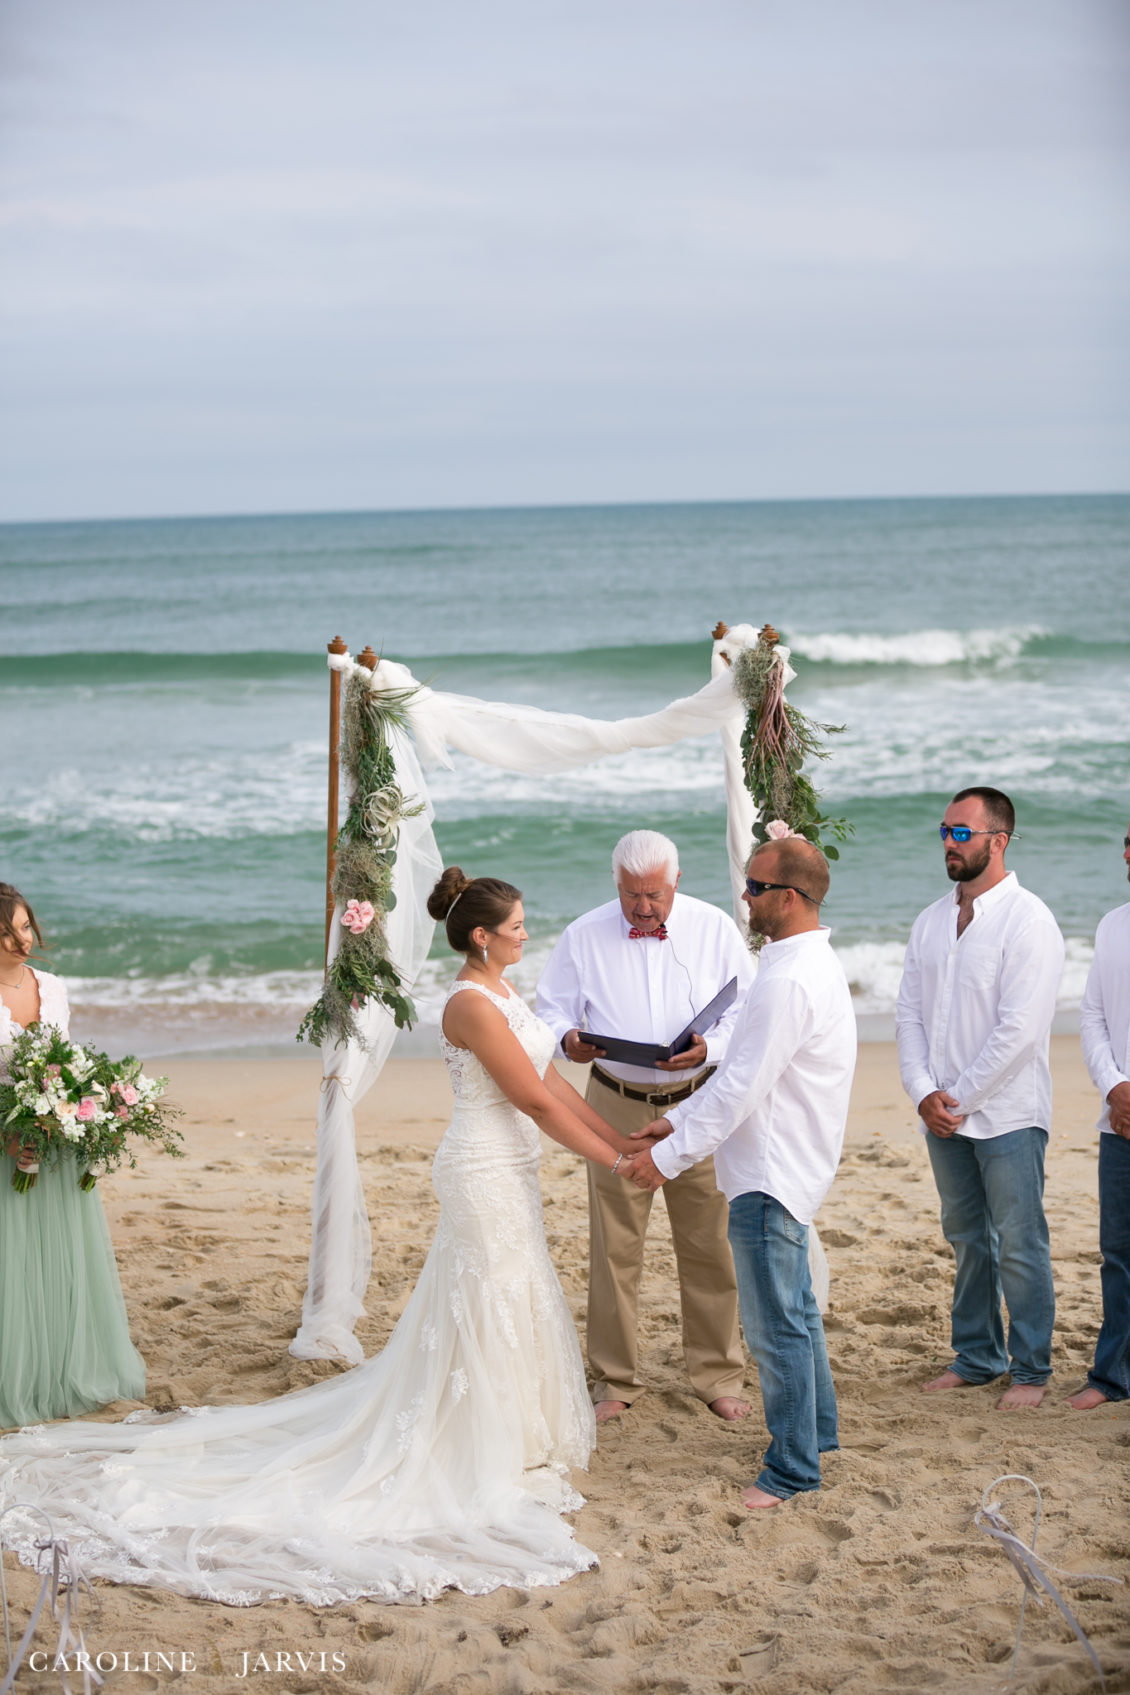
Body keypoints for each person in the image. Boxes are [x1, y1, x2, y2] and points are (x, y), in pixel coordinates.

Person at [0, 869, 638, 1605]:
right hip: (481, 1168)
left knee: (512, 1288)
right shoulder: (469, 1002)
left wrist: (620, 1140)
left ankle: (512, 1430)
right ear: (482, 935)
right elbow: (528, 1097)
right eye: (519, 923)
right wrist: (620, 1160)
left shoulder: (503, 992)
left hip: (513, 1166)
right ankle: (475, 1437)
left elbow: (551, 1082)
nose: (528, 931)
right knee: (484, 1293)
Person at [624, 836, 856, 1508]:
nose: (745, 898)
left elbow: (741, 1088)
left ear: (788, 897)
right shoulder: (804, 961)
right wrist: (673, 1122)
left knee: (775, 1325)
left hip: (772, 1167)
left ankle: (792, 1467)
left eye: (755, 887)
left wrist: (665, 1159)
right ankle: (819, 1432)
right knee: (799, 1313)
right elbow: (742, 1077)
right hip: (786, 1157)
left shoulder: (787, 978)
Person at [536, 830, 755, 1423]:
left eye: (654, 894)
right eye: (632, 895)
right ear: (617, 884)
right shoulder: (583, 934)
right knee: (614, 1246)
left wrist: (710, 1046)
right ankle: (614, 1381)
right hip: (613, 1102)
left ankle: (718, 1374)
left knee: (709, 1241)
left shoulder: (715, 928)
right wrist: (568, 1040)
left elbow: (747, 1010)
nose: (643, 907)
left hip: (700, 1102)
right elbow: (549, 1008)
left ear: (676, 881)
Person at [895, 787, 1064, 1410]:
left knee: (1020, 1242)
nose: (948, 842)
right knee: (967, 1237)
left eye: (961, 833)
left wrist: (956, 1097)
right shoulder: (931, 919)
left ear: (999, 840)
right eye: (944, 830)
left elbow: (1019, 1032)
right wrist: (922, 1094)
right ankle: (977, 1355)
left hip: (1009, 1115)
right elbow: (909, 1013)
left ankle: (1031, 1369)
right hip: (944, 1117)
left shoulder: (1029, 920)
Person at [0, 883, 145, 1430]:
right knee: (11, 1267)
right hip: (6, 1145)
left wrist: (87, 1110)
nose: (21, 941)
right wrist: (10, 1132)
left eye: (24, 926)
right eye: (6, 932)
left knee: (60, 1262)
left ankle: (60, 1373)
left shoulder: (54, 989)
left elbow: (67, 1063)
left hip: (57, 1148)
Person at [1069, 821, 1130, 1410]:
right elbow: (1093, 1016)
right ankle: (1112, 1376)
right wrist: (1114, 1085)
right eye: (1129, 841)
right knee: (1118, 1255)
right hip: (1121, 1121)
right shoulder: (1114, 924)